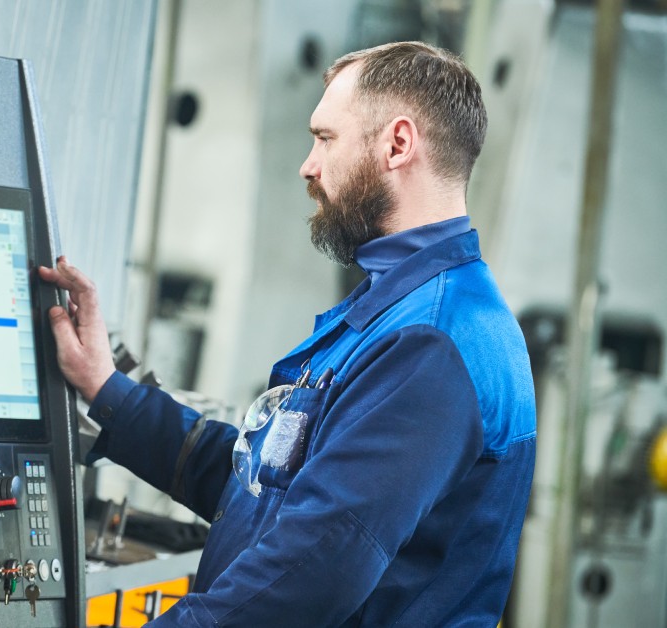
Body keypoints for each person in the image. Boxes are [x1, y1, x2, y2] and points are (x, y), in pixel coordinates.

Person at [38, 41, 535, 626]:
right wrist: (106, 389)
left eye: (325, 138)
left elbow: (308, 574)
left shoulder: (431, 341)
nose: (308, 164)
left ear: (397, 144)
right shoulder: (399, 311)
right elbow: (264, 487)